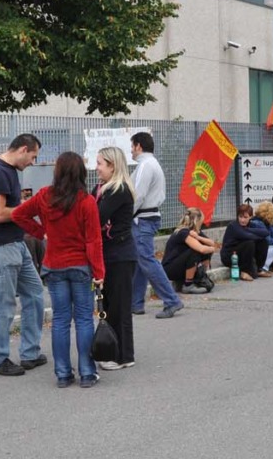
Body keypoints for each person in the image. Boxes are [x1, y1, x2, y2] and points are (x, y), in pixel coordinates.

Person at [12, 152, 105, 389]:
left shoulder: (45, 196)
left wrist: (40, 231)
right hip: (80, 266)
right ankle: (86, 372)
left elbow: (18, 214)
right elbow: (93, 241)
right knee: (84, 319)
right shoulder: (86, 202)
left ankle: (63, 374)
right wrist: (99, 272)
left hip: (54, 265)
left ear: (58, 172)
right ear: (81, 173)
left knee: (61, 319)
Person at [0, 133, 47, 377]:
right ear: (23, 149)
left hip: (14, 243)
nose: (32, 162)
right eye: (33, 156)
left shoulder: (7, 171)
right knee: (4, 304)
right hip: (1, 246)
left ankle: (29, 352)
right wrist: (26, 209)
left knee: (35, 293)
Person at [95, 146, 143, 371]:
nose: (97, 169)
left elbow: (97, 216)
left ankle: (123, 355)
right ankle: (113, 350)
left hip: (121, 254)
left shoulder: (118, 190)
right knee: (111, 304)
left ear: (112, 166)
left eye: (100, 164)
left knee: (119, 307)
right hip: (112, 253)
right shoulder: (105, 189)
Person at [128, 132, 184, 317]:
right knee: (140, 261)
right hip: (148, 217)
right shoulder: (152, 164)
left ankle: (172, 300)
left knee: (146, 260)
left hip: (142, 218)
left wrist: (126, 215)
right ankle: (136, 303)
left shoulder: (145, 166)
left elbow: (138, 195)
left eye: (132, 146)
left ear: (138, 146)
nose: (131, 150)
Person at [162, 207, 221, 293]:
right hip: (169, 269)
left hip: (181, 266)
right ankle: (188, 285)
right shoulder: (183, 232)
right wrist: (213, 249)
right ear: (197, 221)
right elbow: (201, 249)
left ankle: (200, 278)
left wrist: (198, 237)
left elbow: (211, 243)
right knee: (195, 251)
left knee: (206, 249)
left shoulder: (195, 231)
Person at [220, 204, 264, 281]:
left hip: (241, 253)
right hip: (229, 255)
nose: (242, 220)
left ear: (251, 217)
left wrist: (249, 229)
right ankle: (244, 272)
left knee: (263, 241)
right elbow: (247, 236)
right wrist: (254, 234)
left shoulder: (251, 224)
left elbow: (265, 232)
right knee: (250, 243)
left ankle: (259, 269)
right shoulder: (233, 226)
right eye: (240, 217)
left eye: (245, 217)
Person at [254, 200, 273, 273]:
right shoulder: (257, 223)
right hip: (256, 250)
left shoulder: (266, 222)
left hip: (262, 248)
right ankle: (263, 267)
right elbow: (268, 241)